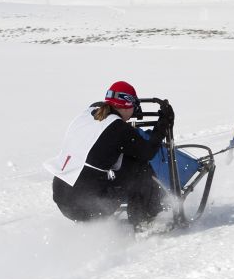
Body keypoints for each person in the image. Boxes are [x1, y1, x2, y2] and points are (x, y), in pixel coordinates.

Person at [45, 81, 175, 228]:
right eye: (135, 105)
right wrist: (164, 123)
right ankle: (146, 223)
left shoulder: (88, 114)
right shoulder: (118, 128)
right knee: (140, 168)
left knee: (115, 164)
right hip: (89, 206)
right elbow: (147, 152)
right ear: (128, 104)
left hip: (62, 199)